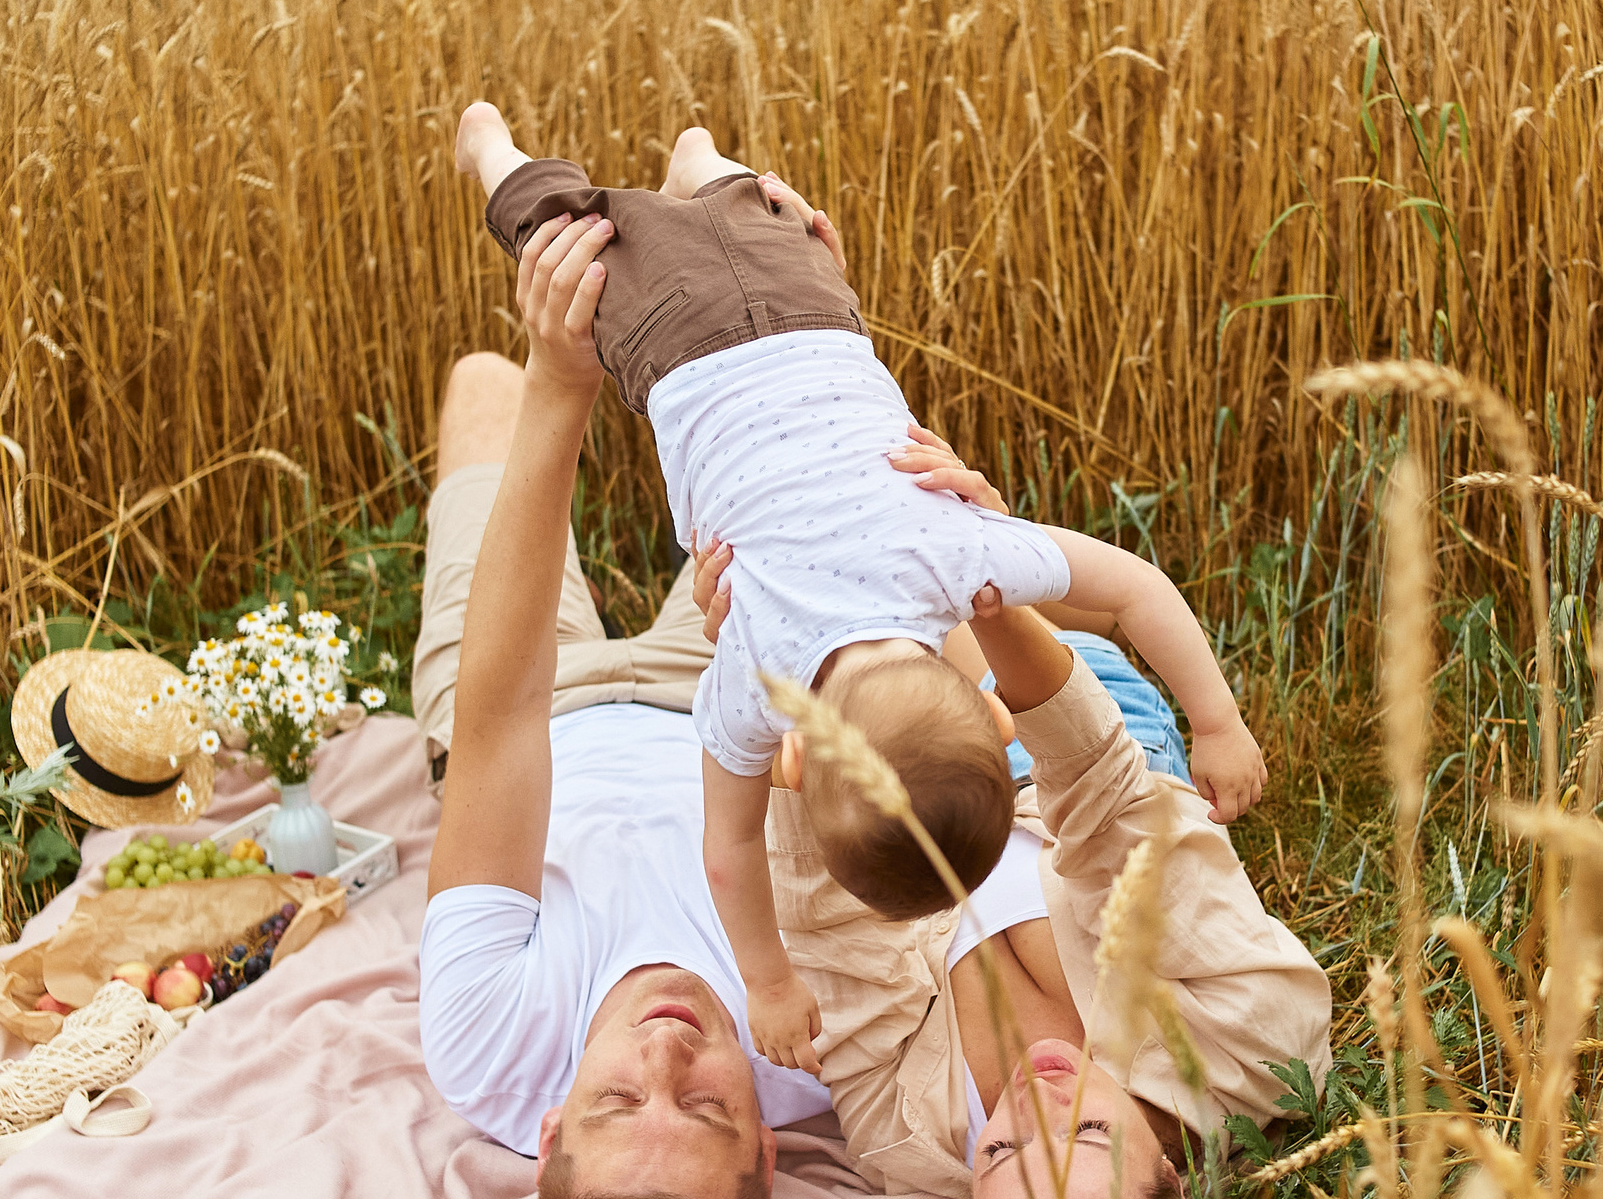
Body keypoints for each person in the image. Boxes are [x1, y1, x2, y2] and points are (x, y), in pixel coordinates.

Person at [452, 107, 1271, 1080]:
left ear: (982, 698)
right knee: (563, 231)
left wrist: (1218, 723)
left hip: (811, 309)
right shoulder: (754, 678)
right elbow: (732, 850)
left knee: (739, 199)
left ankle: (702, 166)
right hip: (670, 345)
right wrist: (767, 983)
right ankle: (494, 155)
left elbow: (1137, 590)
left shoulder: (961, 557)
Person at [751, 445, 1335, 1199]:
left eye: (1003, 1153)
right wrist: (987, 583)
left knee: (780, 565)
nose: (1036, 1105)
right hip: (1085, 724)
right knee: (905, 493)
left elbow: (832, 932)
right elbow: (1108, 799)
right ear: (1178, 1191)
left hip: (899, 786)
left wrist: (806, 743)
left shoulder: (905, 1141)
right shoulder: (1256, 1042)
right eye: (1089, 1139)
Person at [411, 210, 834, 1199]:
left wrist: (563, 382)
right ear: (766, 1151)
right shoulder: (824, 1038)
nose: (665, 1047)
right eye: (700, 1103)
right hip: (719, 701)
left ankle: (484, 158)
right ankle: (697, 196)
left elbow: (500, 722)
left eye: (613, 1100)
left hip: (527, 708)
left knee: (484, 385)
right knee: (782, 345)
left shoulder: (491, 1044)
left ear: (548, 1131)